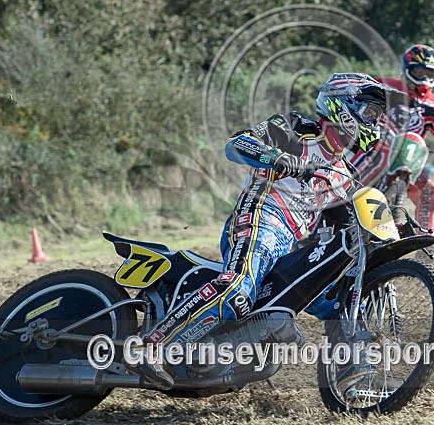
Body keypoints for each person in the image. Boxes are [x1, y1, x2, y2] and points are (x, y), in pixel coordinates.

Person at [128, 72, 393, 390]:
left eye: (377, 116)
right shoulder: (293, 129)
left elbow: (344, 228)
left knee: (339, 300)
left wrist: (390, 233)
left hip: (292, 248)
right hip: (259, 222)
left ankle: (354, 378)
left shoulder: (343, 174)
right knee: (238, 291)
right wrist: (280, 159)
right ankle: (150, 346)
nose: (374, 122)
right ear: (341, 105)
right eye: (369, 112)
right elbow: (236, 145)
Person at [349, 44, 434, 245]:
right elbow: (354, 94)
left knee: (431, 190)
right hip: (371, 151)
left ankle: (427, 240)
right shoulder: (384, 87)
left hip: (409, 160)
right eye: (419, 71)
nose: (424, 77)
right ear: (407, 69)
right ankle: (318, 230)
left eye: (429, 72)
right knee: (342, 183)